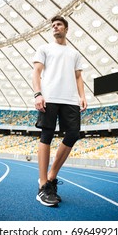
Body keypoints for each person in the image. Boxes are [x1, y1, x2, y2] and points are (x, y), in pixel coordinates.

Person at [32, 15, 87, 207]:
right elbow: (37, 72)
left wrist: (82, 96)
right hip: (50, 96)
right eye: (53, 25)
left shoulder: (74, 53)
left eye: (59, 25)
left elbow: (78, 76)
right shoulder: (44, 48)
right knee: (46, 134)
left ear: (66, 29)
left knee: (73, 134)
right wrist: (38, 94)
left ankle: (51, 177)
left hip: (70, 99)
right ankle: (42, 185)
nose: (55, 27)